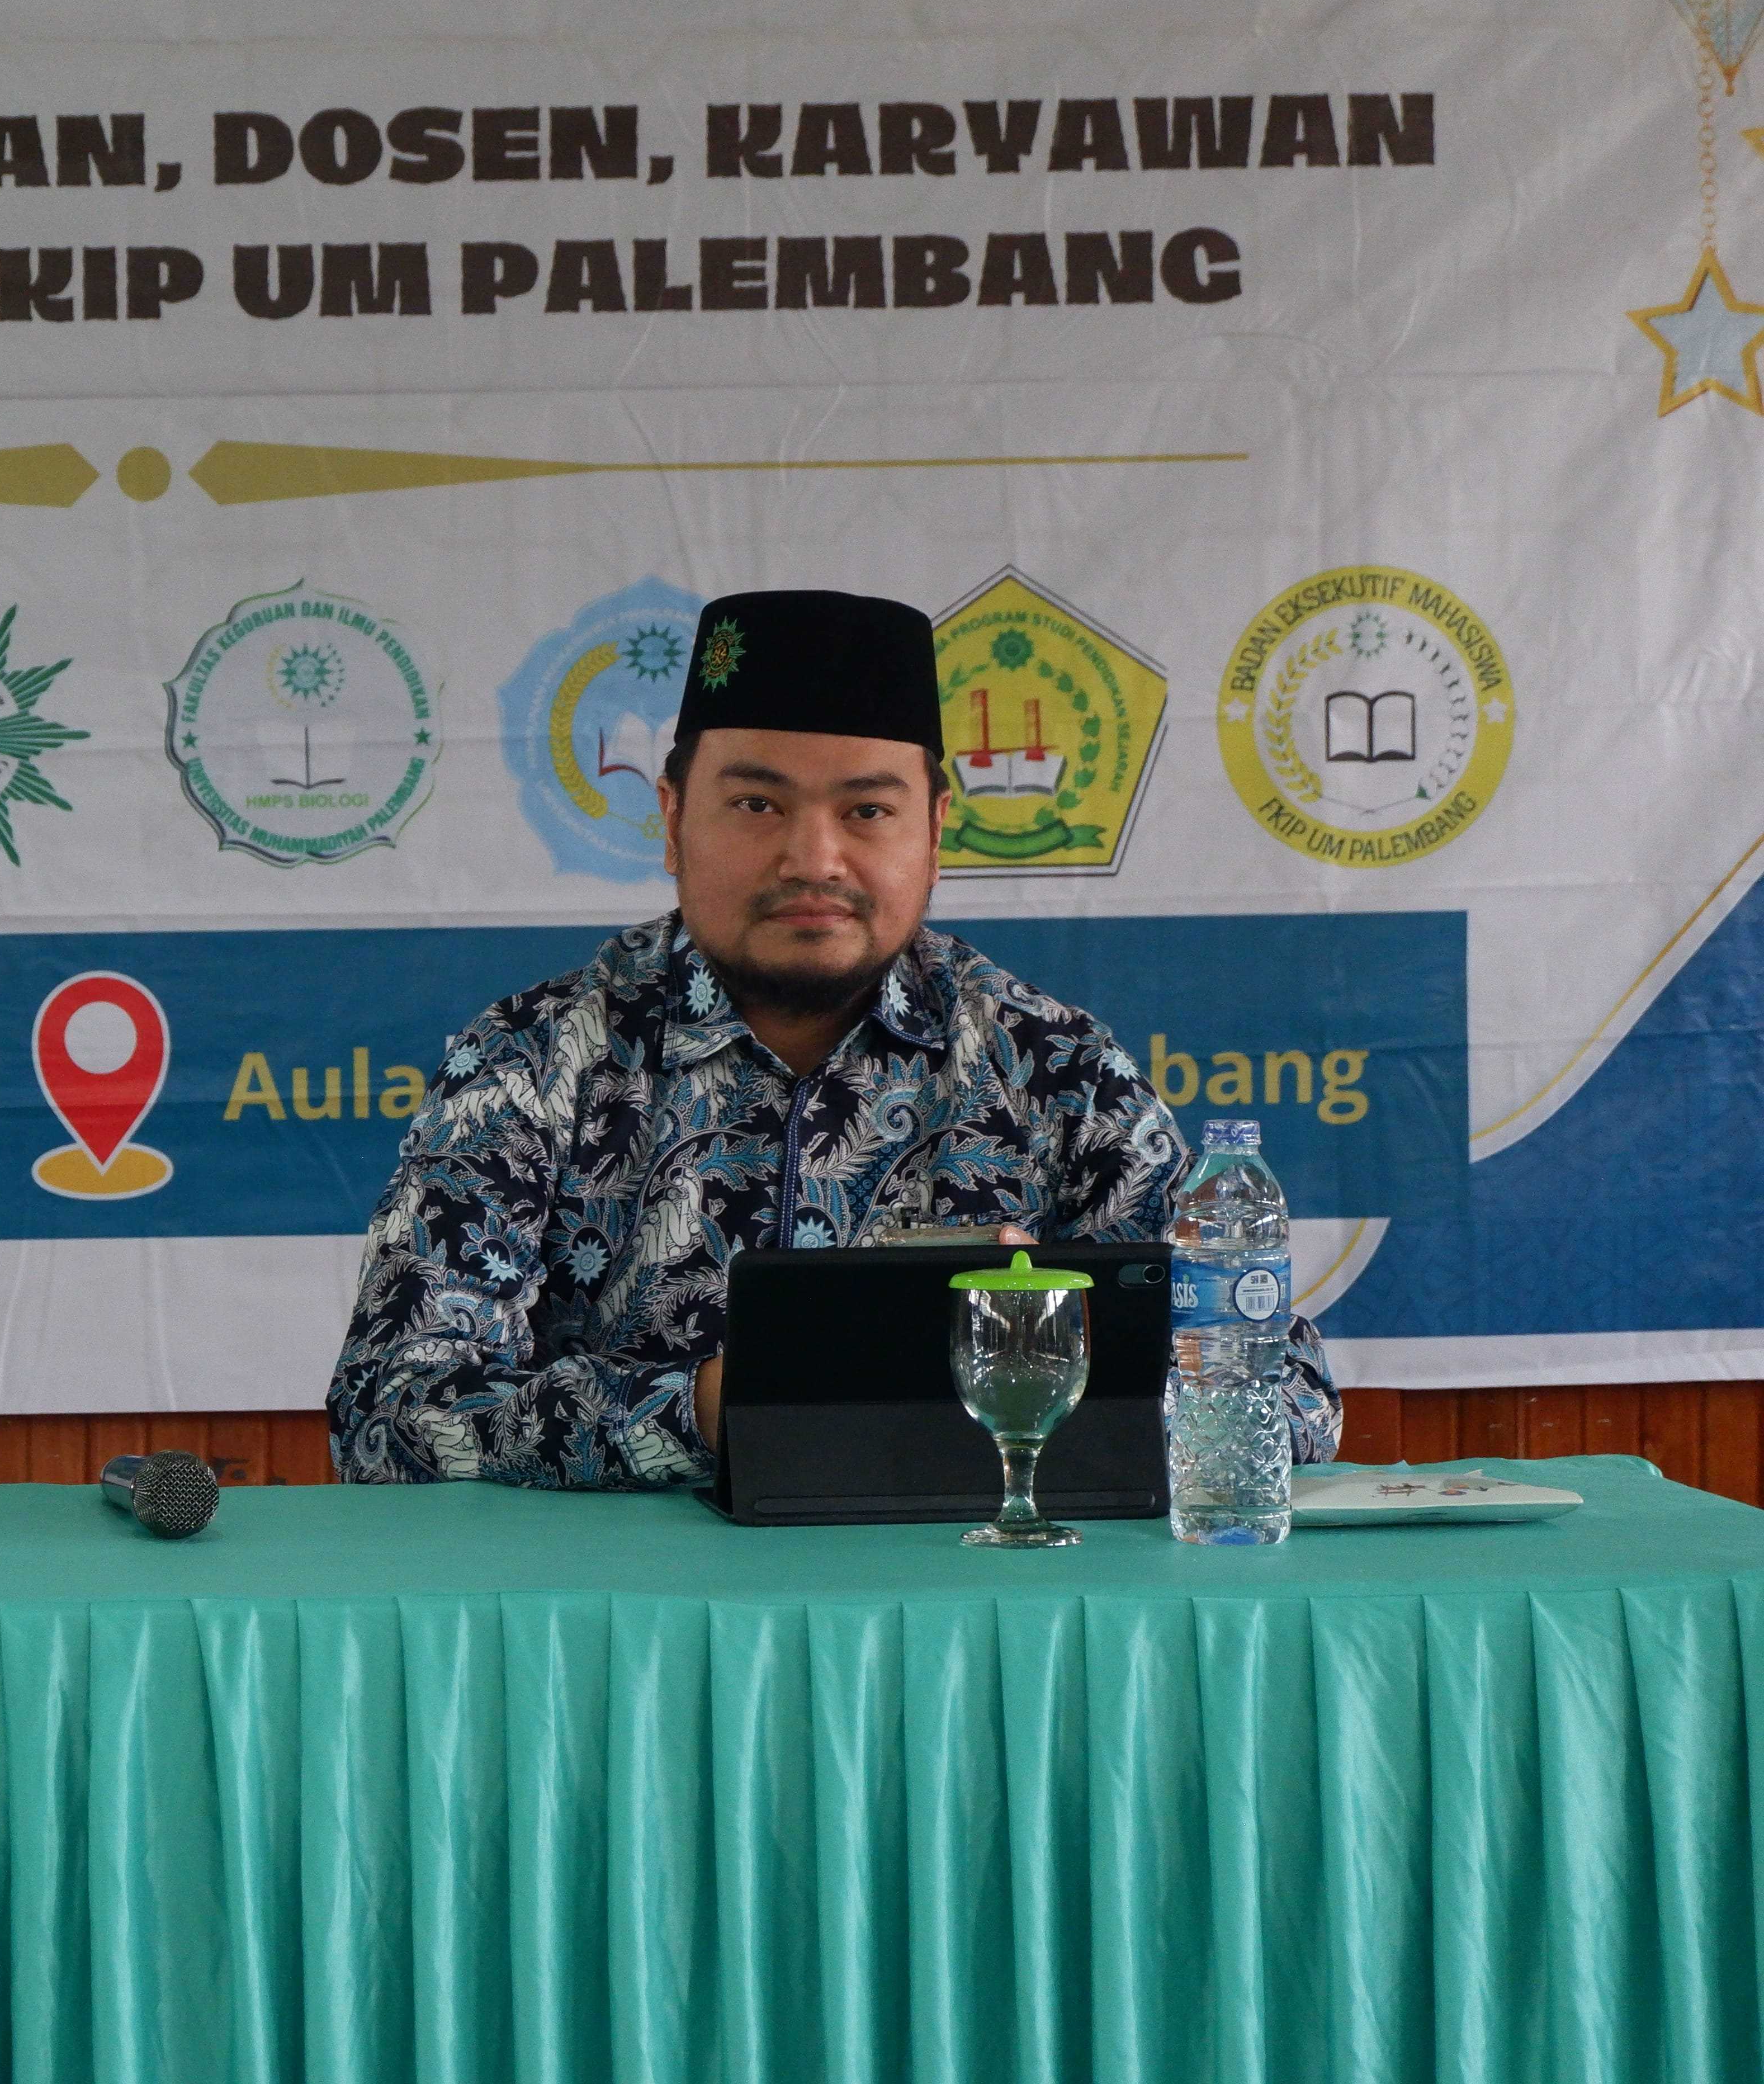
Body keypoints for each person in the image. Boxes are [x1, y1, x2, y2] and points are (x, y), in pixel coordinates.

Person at [329, 587, 1341, 1486]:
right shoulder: (532, 1062)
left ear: (935, 832)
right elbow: (387, 1419)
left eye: (866, 811)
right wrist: (709, 1412)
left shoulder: (1054, 1069)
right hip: (632, 1623)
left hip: (973, 1610)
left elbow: (1283, 1396)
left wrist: (1038, 1385)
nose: (813, 859)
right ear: (672, 819)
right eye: (757, 804)